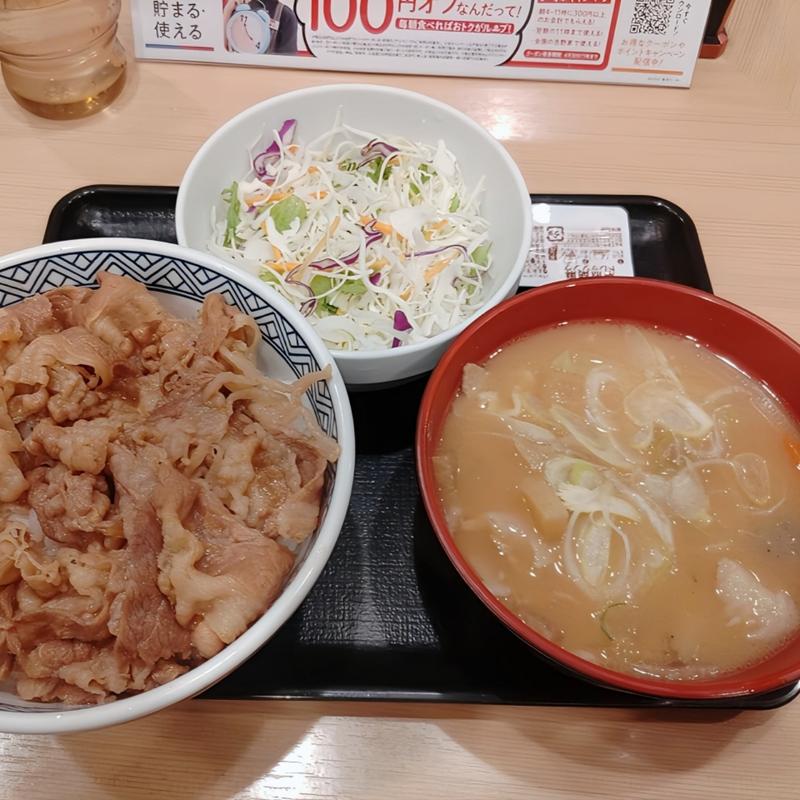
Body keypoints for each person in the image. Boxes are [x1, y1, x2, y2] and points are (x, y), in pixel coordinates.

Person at [223, 0, 299, 56]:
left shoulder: (284, 14)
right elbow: (221, 50)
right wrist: (227, 10)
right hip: (235, 71)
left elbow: (287, 61)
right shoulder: (234, 7)